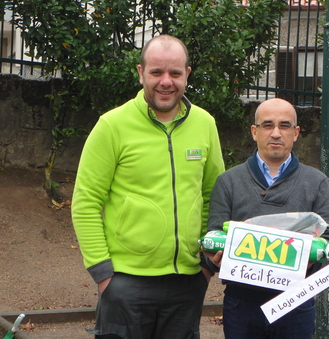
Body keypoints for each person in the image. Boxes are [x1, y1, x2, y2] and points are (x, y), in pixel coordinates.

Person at [71, 34, 225, 339]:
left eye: (175, 73)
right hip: (126, 283)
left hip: (187, 281)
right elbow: (85, 203)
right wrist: (103, 274)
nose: (165, 82)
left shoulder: (204, 124)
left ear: (187, 75)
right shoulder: (112, 126)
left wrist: (207, 265)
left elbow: (214, 196)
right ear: (141, 73)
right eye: (156, 72)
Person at [203, 98, 329, 339]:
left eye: (284, 126)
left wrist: (304, 261)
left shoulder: (317, 183)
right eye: (267, 125)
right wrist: (216, 257)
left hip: (295, 304)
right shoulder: (228, 182)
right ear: (254, 132)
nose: (276, 133)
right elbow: (214, 235)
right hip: (242, 306)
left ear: (296, 133)